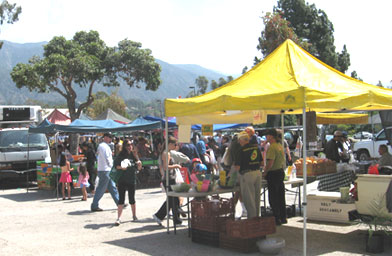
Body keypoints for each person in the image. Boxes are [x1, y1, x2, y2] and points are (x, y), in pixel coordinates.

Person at [152, 136, 183, 226]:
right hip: (169, 179)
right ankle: (161, 216)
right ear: (169, 144)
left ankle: (175, 219)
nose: (176, 146)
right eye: (175, 144)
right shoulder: (166, 153)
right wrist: (176, 166)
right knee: (172, 199)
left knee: (173, 199)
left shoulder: (167, 152)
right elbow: (166, 167)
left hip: (170, 178)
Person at [233, 131, 263, 219]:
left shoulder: (241, 150)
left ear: (241, 140)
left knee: (249, 198)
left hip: (247, 174)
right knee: (257, 197)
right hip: (257, 173)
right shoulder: (256, 148)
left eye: (239, 140)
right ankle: (257, 217)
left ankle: (252, 219)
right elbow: (262, 162)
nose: (238, 142)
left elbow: (238, 167)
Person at [113, 139, 142, 226]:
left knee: (132, 199)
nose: (130, 147)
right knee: (121, 199)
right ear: (124, 147)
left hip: (131, 179)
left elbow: (138, 168)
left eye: (131, 145)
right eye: (128, 145)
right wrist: (122, 167)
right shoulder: (120, 156)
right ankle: (119, 218)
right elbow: (115, 166)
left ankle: (134, 215)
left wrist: (140, 164)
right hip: (122, 179)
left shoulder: (133, 155)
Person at [91, 133, 120, 212]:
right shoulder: (104, 146)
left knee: (112, 187)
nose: (111, 139)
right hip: (105, 170)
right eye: (110, 137)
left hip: (105, 169)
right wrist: (112, 167)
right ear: (105, 138)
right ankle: (94, 205)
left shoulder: (103, 146)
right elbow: (107, 158)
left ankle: (119, 203)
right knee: (101, 188)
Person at [263, 128, 287, 225]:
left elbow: (270, 162)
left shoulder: (272, 147)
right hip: (280, 172)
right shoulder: (279, 146)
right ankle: (283, 217)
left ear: (271, 136)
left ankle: (276, 218)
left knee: (273, 198)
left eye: (267, 135)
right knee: (281, 196)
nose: (265, 137)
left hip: (273, 173)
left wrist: (265, 172)